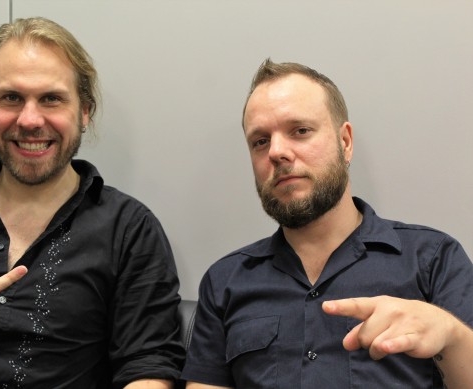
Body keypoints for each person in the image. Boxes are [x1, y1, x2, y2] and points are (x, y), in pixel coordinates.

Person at [0, 17, 184, 388]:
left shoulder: (129, 230)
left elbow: (148, 367)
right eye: (11, 98)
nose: (29, 120)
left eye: (51, 99)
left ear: (85, 112)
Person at [181, 60, 473, 388]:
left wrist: (450, 336)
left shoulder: (432, 258)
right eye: (260, 141)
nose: (276, 152)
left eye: (300, 131)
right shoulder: (225, 282)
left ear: (345, 142)